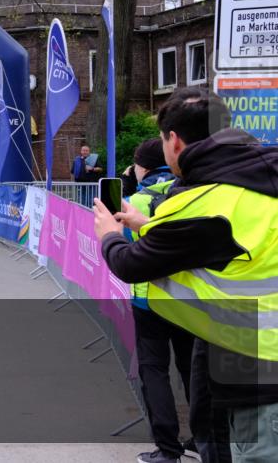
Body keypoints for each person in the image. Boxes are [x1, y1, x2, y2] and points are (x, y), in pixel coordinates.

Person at [96, 87, 278, 463]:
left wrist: (109, 237)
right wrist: (148, 223)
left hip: (254, 361)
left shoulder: (197, 202)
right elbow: (221, 239)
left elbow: (132, 264)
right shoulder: (259, 175)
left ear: (174, 141)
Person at [115, 138, 199, 463]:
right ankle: (202, 439)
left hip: (150, 300)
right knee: (193, 370)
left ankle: (168, 449)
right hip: (190, 298)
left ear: (142, 167)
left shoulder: (136, 199)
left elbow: (123, 246)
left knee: (154, 371)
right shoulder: (192, 191)